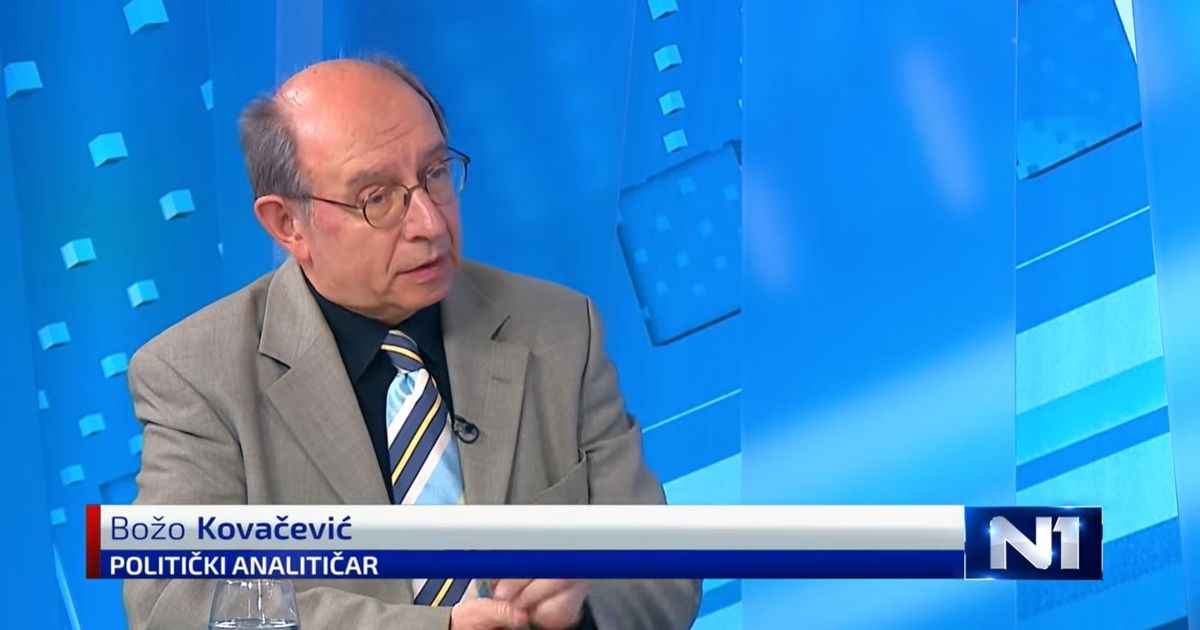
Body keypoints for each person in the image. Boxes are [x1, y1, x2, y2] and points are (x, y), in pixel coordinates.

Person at [122, 56, 700, 629]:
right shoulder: (195, 376)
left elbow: (666, 570)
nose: (430, 223)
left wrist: (583, 604)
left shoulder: (559, 329)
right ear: (287, 224)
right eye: (377, 198)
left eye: (436, 174)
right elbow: (176, 600)